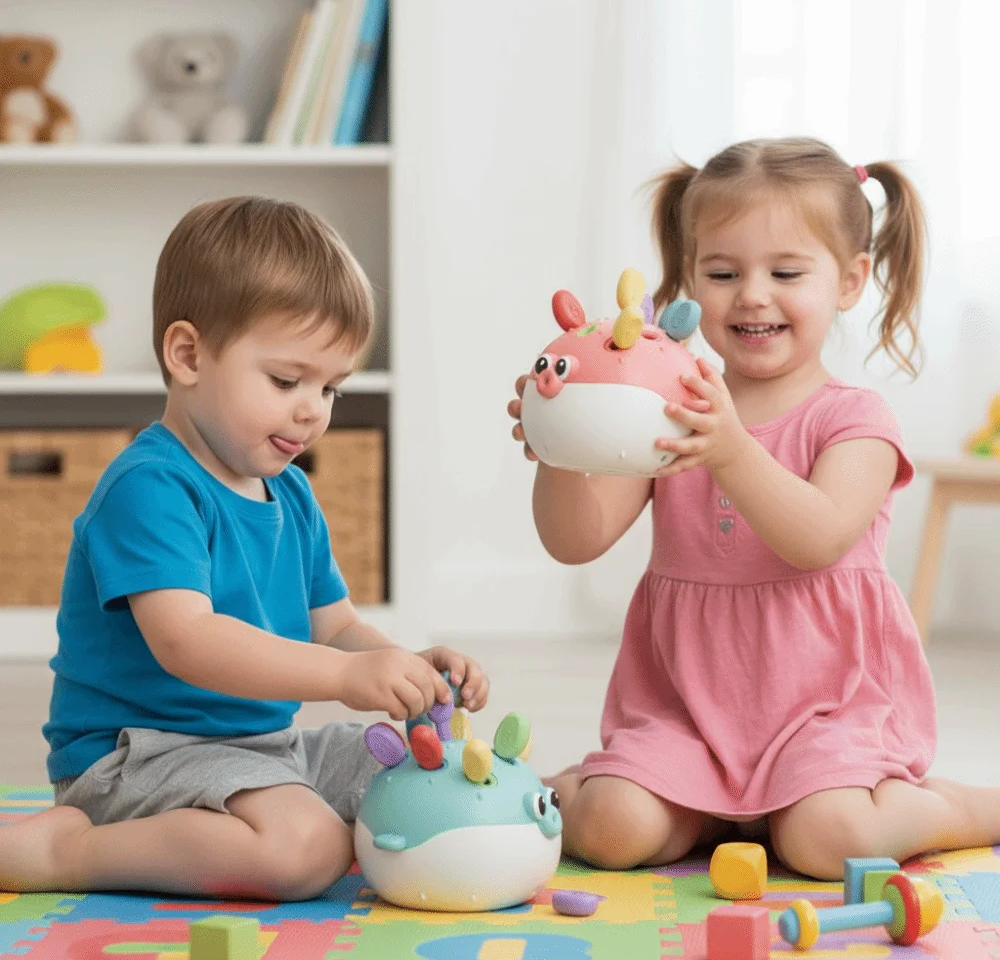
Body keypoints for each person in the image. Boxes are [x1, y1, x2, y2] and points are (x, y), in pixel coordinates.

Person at [508, 138, 1000, 879]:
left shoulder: (854, 419)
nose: (753, 294)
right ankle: (568, 793)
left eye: (786, 272)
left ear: (849, 280)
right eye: (723, 272)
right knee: (613, 830)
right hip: (687, 711)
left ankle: (966, 806)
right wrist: (562, 448)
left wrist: (732, 450)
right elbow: (576, 542)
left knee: (827, 841)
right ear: (687, 281)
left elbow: (819, 537)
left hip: (824, 709)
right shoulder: (663, 409)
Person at [0, 196, 488, 900]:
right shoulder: (151, 486)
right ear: (188, 354)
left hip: (260, 751)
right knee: (304, 848)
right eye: (288, 381)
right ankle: (73, 851)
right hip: (137, 756)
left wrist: (404, 666)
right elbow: (188, 642)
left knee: (424, 771)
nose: (312, 409)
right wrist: (344, 680)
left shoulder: (289, 494)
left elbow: (337, 625)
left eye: (331, 387)